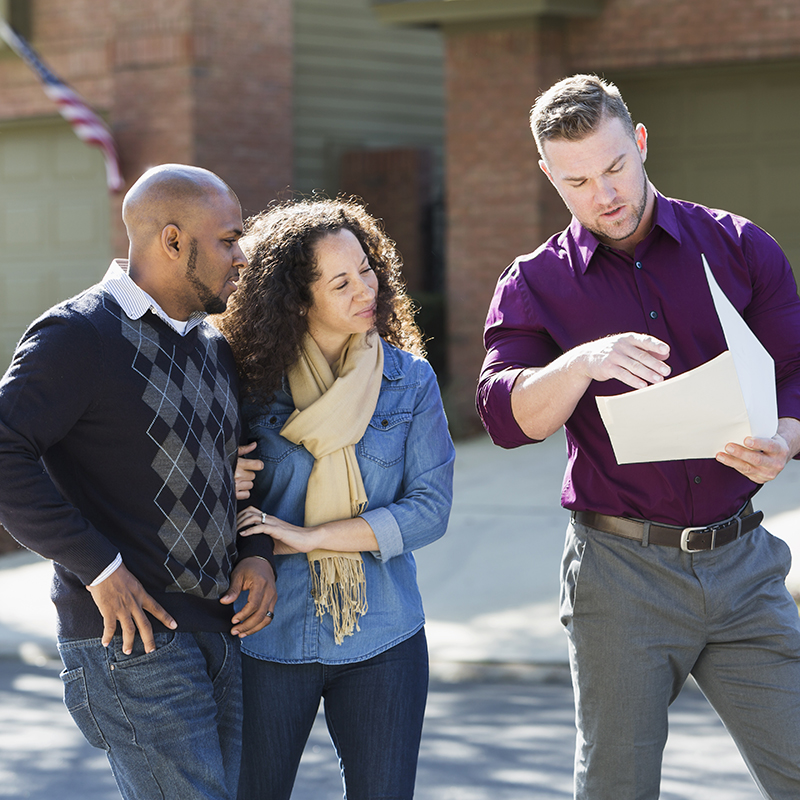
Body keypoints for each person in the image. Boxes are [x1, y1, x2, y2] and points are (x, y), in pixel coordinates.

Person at [477, 74, 800, 799]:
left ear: (642, 142)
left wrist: (786, 436)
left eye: (616, 167)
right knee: (616, 786)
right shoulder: (533, 285)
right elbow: (504, 416)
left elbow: (797, 369)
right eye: (578, 180)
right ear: (548, 177)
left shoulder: (740, 246)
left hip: (744, 563)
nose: (604, 195)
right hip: (619, 576)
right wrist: (580, 365)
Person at [0, 164, 277, 800]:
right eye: (230, 240)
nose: (243, 257)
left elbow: (243, 464)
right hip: (133, 639)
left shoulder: (214, 346)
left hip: (219, 630)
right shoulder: (78, 335)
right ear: (173, 241)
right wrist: (98, 568)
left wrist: (257, 553)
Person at [217, 197, 455, 800]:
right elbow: (206, 498)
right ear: (298, 299)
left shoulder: (408, 379)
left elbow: (430, 508)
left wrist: (313, 537)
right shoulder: (244, 383)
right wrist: (224, 485)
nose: (365, 290)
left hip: (385, 635)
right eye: (341, 282)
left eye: (368, 271)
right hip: (266, 633)